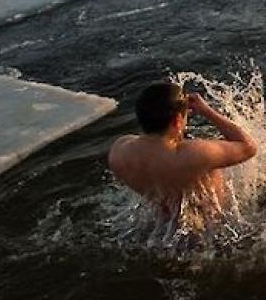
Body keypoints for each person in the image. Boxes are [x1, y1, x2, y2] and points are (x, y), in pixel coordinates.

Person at [108, 82, 257, 222]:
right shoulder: (191, 155)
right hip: (208, 229)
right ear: (177, 120)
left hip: (162, 226)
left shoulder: (120, 150)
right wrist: (206, 111)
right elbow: (248, 147)